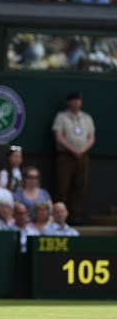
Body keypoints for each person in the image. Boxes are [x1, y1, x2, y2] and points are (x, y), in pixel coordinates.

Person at [52, 91, 95, 225]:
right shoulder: (61, 117)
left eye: (79, 100)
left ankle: (74, 217)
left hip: (82, 156)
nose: (77, 102)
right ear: (69, 102)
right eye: (74, 100)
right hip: (65, 155)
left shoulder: (86, 117)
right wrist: (72, 149)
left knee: (80, 187)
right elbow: (58, 136)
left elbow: (91, 137)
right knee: (62, 186)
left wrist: (82, 150)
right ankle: (60, 217)